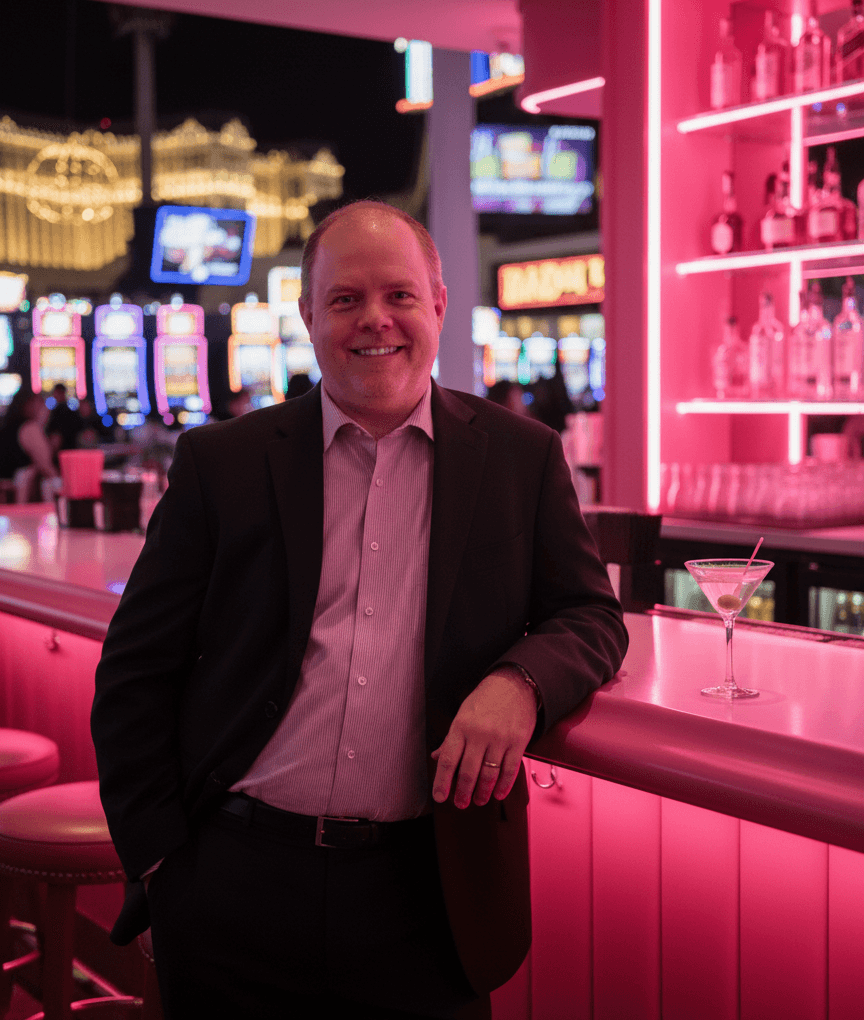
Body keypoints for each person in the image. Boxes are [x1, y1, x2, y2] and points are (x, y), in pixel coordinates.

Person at [91, 201, 628, 1020]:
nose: (375, 320)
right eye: (345, 300)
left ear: (439, 305)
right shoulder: (221, 462)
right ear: (309, 316)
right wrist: (163, 865)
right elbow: (135, 672)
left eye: (399, 296)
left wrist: (520, 681)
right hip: (234, 880)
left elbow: (593, 616)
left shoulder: (523, 457)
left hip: (430, 891)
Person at [0, 389, 59, 501]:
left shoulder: (8, 426)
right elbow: (46, 467)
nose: (45, 408)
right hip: (18, 498)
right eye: (41, 403)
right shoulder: (30, 428)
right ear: (27, 405)